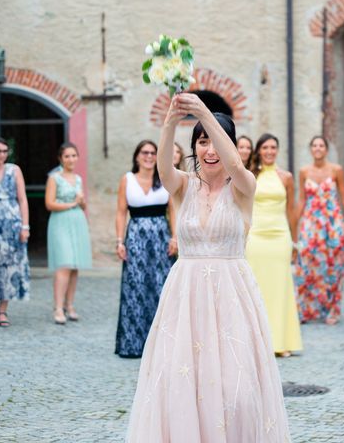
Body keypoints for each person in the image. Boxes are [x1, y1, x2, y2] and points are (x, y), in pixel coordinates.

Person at [126, 93, 290, 441]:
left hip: (232, 296)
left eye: (217, 141)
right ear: (195, 147)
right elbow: (163, 171)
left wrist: (202, 111)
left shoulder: (244, 186)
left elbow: (234, 167)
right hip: (185, 298)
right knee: (180, 382)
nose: (210, 150)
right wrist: (171, 119)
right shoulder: (184, 186)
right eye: (202, 142)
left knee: (238, 388)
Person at [114, 140, 177, 358]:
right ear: (137, 156)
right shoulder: (127, 180)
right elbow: (121, 212)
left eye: (153, 153)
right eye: (145, 152)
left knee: (160, 286)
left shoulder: (165, 178)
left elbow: (174, 209)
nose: (149, 156)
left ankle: (162, 343)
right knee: (135, 286)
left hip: (160, 236)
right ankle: (133, 342)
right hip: (136, 237)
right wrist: (119, 241)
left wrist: (175, 237)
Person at [246, 133, 303, 357]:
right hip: (256, 236)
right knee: (256, 287)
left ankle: (281, 341)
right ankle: (257, 341)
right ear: (259, 150)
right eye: (265, 148)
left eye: (273, 148)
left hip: (280, 236)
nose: (269, 151)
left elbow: (291, 211)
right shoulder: (250, 175)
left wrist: (295, 242)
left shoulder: (286, 177)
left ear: (277, 151)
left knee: (281, 288)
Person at [294, 136, 344, 324]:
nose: (318, 148)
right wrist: (293, 225)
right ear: (311, 149)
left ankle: (333, 310)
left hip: (333, 222)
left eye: (321, 145)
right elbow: (302, 200)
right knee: (306, 263)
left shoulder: (336, 170)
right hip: (311, 223)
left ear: (326, 149)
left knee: (335, 264)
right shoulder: (304, 171)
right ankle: (306, 310)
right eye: (315, 145)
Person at [0, 137, 30, 327]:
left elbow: (23, 199)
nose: (1, 155)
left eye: (4, 151)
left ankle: (3, 311)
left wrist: (25, 226)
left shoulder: (14, 170)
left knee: (8, 266)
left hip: (12, 222)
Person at [45, 142, 92, 325]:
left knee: (74, 266)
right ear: (60, 159)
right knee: (64, 264)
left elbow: (83, 205)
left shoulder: (78, 178)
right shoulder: (54, 178)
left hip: (77, 221)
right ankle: (57, 307)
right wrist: (72, 204)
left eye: (74, 155)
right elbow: (49, 204)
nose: (71, 159)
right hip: (60, 222)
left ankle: (70, 304)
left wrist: (81, 202)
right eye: (67, 156)